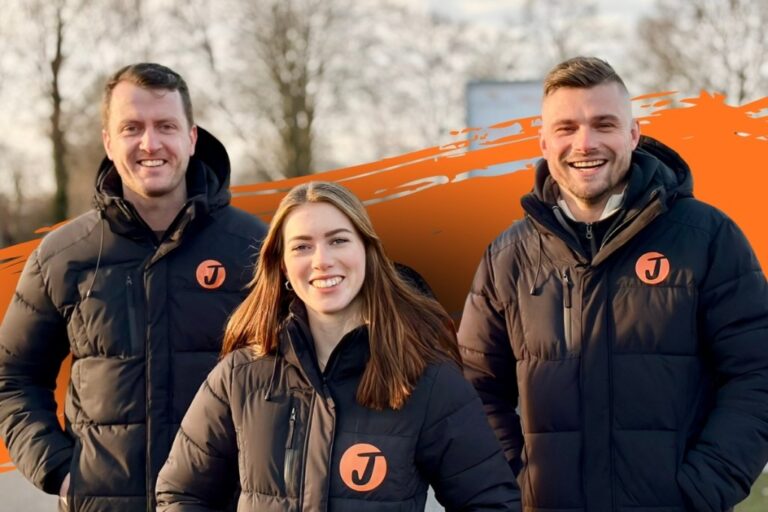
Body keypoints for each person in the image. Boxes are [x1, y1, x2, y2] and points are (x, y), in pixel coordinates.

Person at [458, 56, 768, 512]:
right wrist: (517, 485)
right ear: (543, 142)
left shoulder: (707, 237)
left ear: (633, 134)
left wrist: (702, 489)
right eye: (566, 128)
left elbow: (757, 373)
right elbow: (474, 389)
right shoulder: (508, 257)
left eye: (604, 124)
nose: (585, 143)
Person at [155, 181, 521, 511]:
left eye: (338, 240)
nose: (322, 261)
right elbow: (180, 494)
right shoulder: (240, 375)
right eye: (302, 246)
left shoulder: (427, 378)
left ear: (367, 251)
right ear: (282, 265)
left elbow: (491, 502)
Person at [0, 62, 268, 511]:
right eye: (132, 128)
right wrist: (61, 472)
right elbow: (12, 377)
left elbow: (307, 376)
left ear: (191, 138)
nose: (150, 143)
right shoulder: (62, 255)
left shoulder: (256, 249)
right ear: (108, 141)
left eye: (166, 126)